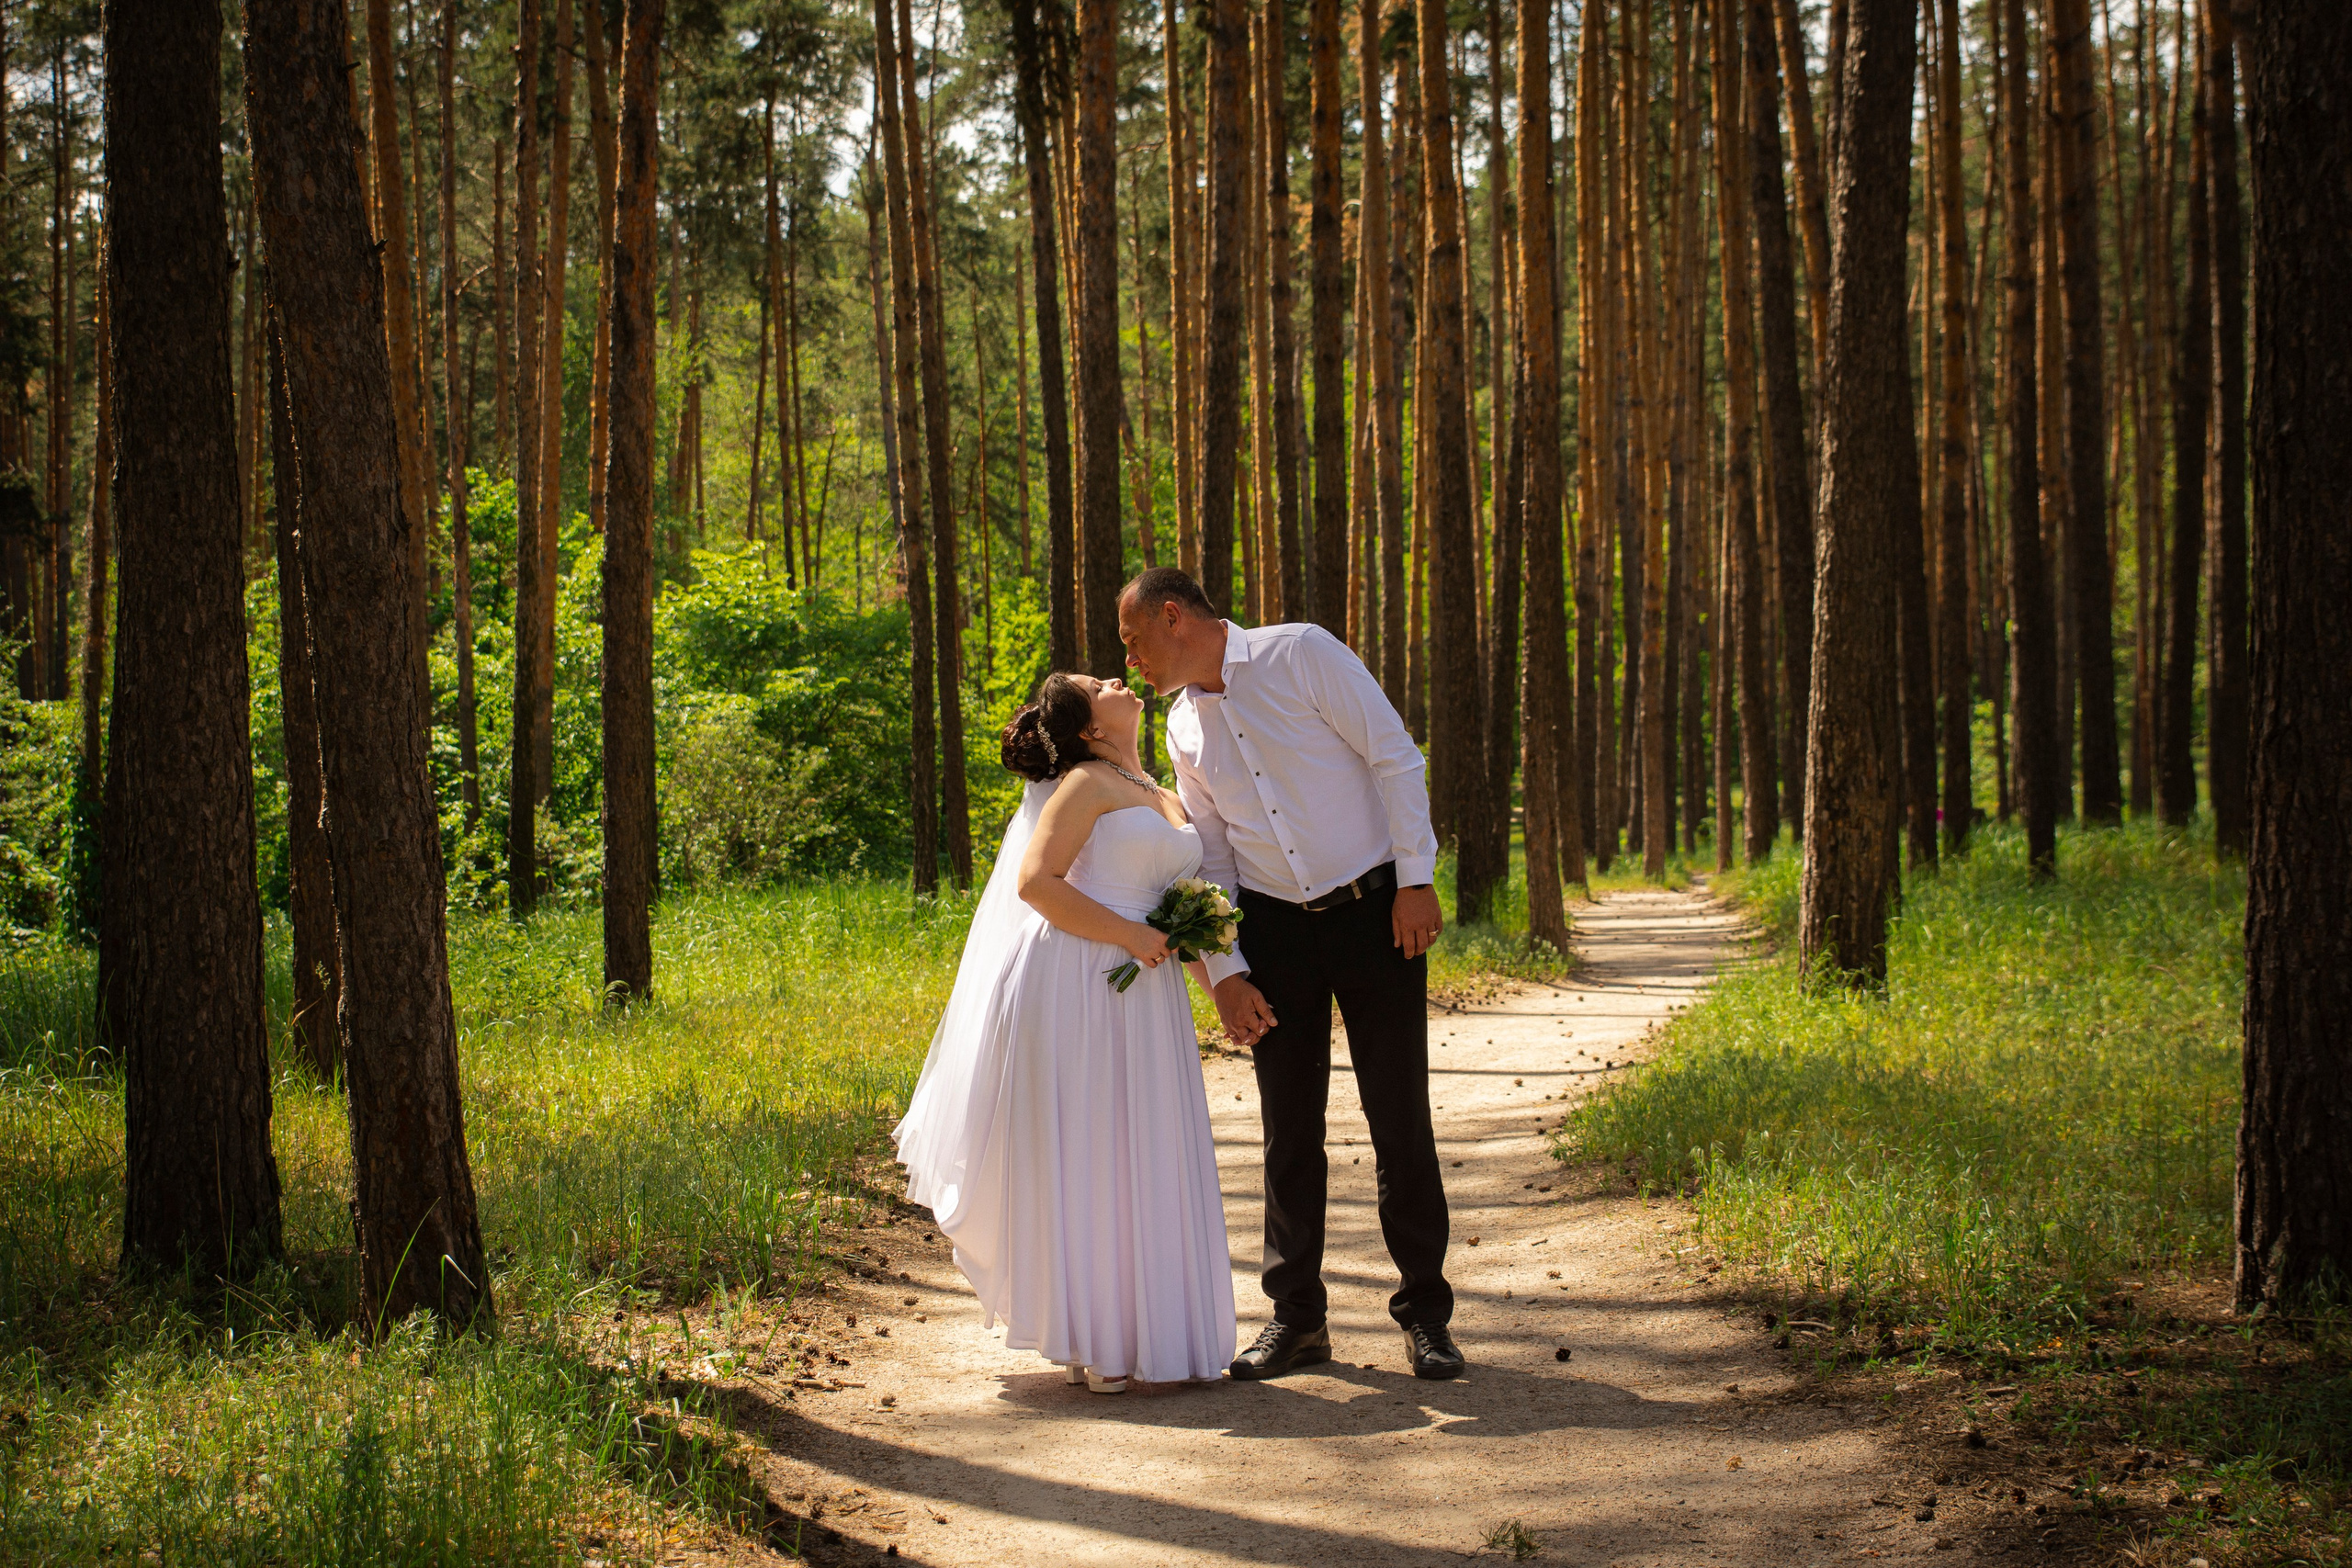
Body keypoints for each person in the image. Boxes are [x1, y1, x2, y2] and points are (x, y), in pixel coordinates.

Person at [1115, 566, 1464, 1382]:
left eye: (1134, 641)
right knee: (1288, 1130)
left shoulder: (1301, 653)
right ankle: (1297, 1318)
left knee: (1398, 1114)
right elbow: (1215, 858)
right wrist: (1228, 970)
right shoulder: (1181, 728)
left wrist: (1415, 880)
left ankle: (1425, 1315)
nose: (1130, 659)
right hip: (1274, 932)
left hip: (1376, 913)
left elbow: (1395, 757)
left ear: (1173, 618)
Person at [893, 671, 1236, 1394]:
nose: (1116, 676)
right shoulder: (1083, 784)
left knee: (1138, 1148)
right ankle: (1096, 1336)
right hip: (1079, 976)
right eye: (1098, 682)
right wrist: (1128, 935)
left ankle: (1143, 1331)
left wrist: (1220, 991)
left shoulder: (1160, 790)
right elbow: (1036, 883)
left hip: (1146, 987)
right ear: (1088, 726)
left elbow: (1179, 911)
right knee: (1093, 1150)